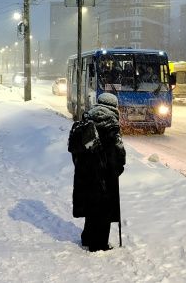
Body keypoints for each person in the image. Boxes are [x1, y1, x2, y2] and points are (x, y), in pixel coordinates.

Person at [68, 92, 126, 252]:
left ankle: (87, 238)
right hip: (104, 175)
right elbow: (118, 154)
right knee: (103, 210)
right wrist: (116, 169)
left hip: (85, 173)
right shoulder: (111, 125)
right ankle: (99, 244)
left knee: (91, 206)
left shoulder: (86, 120)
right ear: (114, 106)